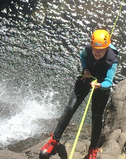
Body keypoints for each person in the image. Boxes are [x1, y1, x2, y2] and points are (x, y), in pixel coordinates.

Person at [40, 29, 118, 159]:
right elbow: (82, 57)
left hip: (101, 84)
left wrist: (99, 85)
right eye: (95, 49)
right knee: (70, 108)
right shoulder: (88, 49)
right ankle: (54, 140)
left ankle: (93, 149)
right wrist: (85, 69)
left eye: (101, 50)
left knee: (96, 117)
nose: (97, 52)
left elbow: (109, 82)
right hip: (88, 76)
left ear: (106, 48)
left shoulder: (112, 59)